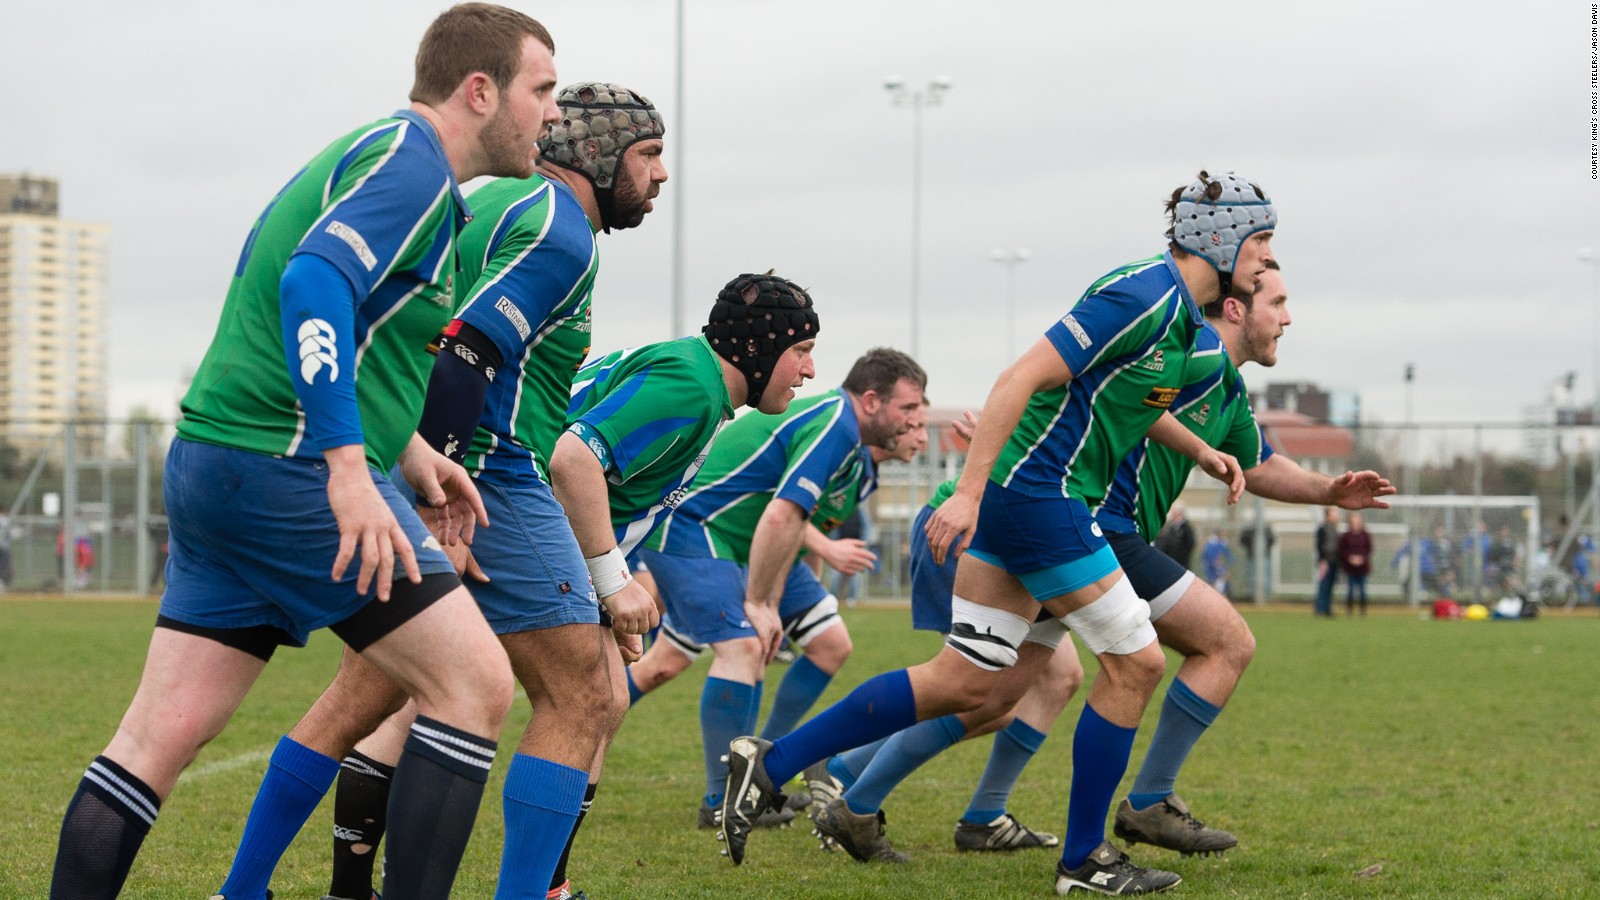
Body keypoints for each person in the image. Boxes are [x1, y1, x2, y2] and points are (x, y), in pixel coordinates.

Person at [51, 7, 559, 900]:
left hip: (218, 460)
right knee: (473, 684)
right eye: (542, 90)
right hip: (281, 469)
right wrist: (345, 466)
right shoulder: (414, 166)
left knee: (156, 736)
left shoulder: (379, 157)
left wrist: (404, 452)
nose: (551, 113)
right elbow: (313, 282)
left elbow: (330, 315)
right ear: (480, 91)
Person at [716, 170, 1273, 896]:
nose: (1267, 260)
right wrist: (969, 492)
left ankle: (771, 762)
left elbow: (1126, 399)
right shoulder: (1141, 294)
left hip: (1032, 500)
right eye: (1261, 241)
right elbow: (1018, 378)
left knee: (967, 680)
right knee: (1135, 665)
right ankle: (1083, 863)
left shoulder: (1179, 320)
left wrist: (1198, 448)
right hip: (1040, 499)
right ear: (1221, 238)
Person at [205, 80, 667, 900]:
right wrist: (441, 498)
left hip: (416, 457)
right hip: (485, 474)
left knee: (360, 697)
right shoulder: (562, 230)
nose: (661, 175)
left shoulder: (487, 201)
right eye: (648, 153)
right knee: (582, 695)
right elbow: (467, 349)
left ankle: (242, 890)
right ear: (596, 153)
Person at [319, 273, 819, 900]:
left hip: (476, 497)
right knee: (586, 697)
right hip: (491, 506)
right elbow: (571, 457)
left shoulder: (692, 377)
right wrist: (608, 582)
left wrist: (606, 581)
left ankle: (349, 887)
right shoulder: (690, 384)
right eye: (801, 350)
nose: (808, 370)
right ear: (758, 346)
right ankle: (533, 890)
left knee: (416, 697)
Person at [637, 348, 926, 830]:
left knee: (828, 645)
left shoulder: (853, 449)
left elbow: (789, 522)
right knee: (736, 649)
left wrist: (769, 600)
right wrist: (759, 601)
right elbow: (782, 513)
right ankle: (721, 798)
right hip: (696, 527)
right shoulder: (836, 421)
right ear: (872, 401)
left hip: (745, 544)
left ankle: (762, 771)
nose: (917, 424)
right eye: (910, 410)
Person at [1339, 511, 1373, 615]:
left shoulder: (1365, 535)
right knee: (1350, 591)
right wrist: (1350, 558)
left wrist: (1361, 558)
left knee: (1363, 592)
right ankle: (1349, 611)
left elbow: (1369, 549)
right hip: (1350, 568)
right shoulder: (1346, 536)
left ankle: (1363, 611)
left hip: (1362, 568)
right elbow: (1342, 550)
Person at [1152, 503, 1197, 570]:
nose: (1173, 516)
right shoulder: (1171, 528)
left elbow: (1190, 544)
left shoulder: (1186, 529)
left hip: (1181, 563)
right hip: (1171, 562)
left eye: (1175, 514)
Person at [1313, 507, 1340, 616]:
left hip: (1334, 561)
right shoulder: (1322, 529)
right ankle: (1320, 609)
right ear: (1328, 515)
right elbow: (1320, 546)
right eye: (1333, 514)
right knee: (1323, 586)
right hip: (1325, 561)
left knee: (1330, 586)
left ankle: (1327, 609)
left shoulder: (1334, 529)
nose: (1336, 516)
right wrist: (1322, 560)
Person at [1239, 519, 1275, 598]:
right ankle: (1252, 594)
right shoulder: (1249, 531)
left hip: (1265, 557)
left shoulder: (1266, 531)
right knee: (1252, 576)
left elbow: (1272, 540)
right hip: (1252, 557)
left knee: (1265, 576)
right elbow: (1243, 541)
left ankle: (1266, 593)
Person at [1201, 531, 1233, 596]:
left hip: (1215, 565)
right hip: (1212, 565)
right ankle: (1218, 595)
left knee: (1222, 578)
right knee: (1213, 580)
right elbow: (1207, 555)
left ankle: (1221, 595)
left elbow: (1226, 553)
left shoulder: (1218, 543)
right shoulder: (1212, 544)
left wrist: (1231, 560)